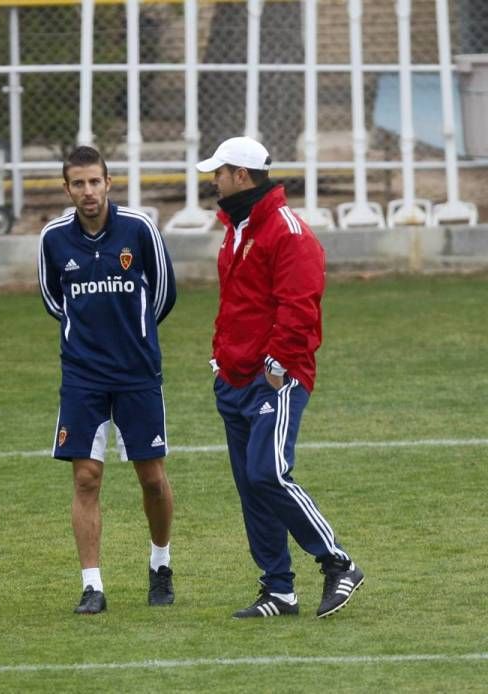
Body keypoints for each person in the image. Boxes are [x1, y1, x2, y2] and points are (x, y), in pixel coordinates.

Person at [196, 136, 364, 619]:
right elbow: (236, 305)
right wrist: (220, 359)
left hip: (275, 378)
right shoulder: (238, 228)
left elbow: (300, 307)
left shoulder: (288, 232)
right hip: (234, 377)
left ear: (242, 176)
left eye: (220, 172)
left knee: (267, 473)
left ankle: (338, 562)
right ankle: (278, 590)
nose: (214, 180)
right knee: (252, 485)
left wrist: (276, 366)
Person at [38, 145, 177, 615]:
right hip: (82, 376)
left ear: (108, 182)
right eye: (78, 183)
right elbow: (55, 301)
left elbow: (162, 295)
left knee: (152, 479)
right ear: (67, 189)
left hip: (137, 373)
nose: (87, 191)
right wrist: (90, 342)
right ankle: (92, 585)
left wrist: (132, 338)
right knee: (86, 477)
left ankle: (160, 564)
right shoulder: (54, 238)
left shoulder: (139, 230)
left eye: (94, 181)